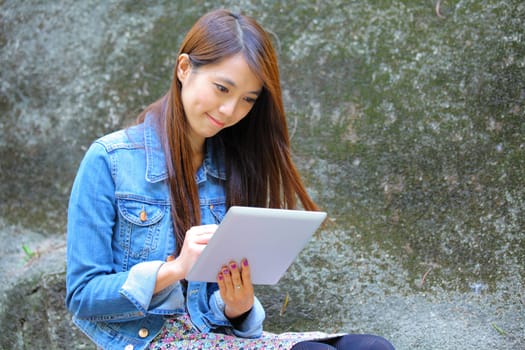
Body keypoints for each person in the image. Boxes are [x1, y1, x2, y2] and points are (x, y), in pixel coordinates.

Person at [65, 9, 395, 350]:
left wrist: (239, 308)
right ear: (183, 69)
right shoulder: (110, 160)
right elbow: (82, 296)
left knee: (371, 347)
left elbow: (216, 315)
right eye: (222, 88)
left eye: (248, 100)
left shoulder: (230, 166)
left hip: (209, 338)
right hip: (146, 341)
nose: (229, 110)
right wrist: (175, 269)